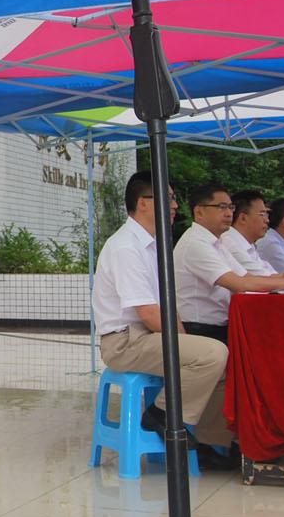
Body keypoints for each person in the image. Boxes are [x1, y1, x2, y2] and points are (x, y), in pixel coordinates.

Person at [91, 170, 237, 470]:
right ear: (142, 203)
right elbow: (148, 312)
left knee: (223, 360)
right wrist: (185, 341)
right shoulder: (125, 248)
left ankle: (211, 443)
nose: (175, 206)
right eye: (168, 198)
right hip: (125, 342)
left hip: (147, 335)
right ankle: (160, 414)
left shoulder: (153, 245)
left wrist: (183, 336)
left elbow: (166, 305)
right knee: (213, 354)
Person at [174, 184, 284, 346]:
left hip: (221, 327)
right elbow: (240, 284)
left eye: (230, 207)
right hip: (200, 331)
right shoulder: (195, 243)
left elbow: (247, 277)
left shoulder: (217, 242)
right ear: (199, 211)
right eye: (221, 207)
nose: (228, 213)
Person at [221, 190, 284, 286]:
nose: (267, 220)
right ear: (243, 218)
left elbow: (270, 274)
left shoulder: (249, 244)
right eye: (262, 214)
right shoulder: (230, 242)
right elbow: (260, 279)